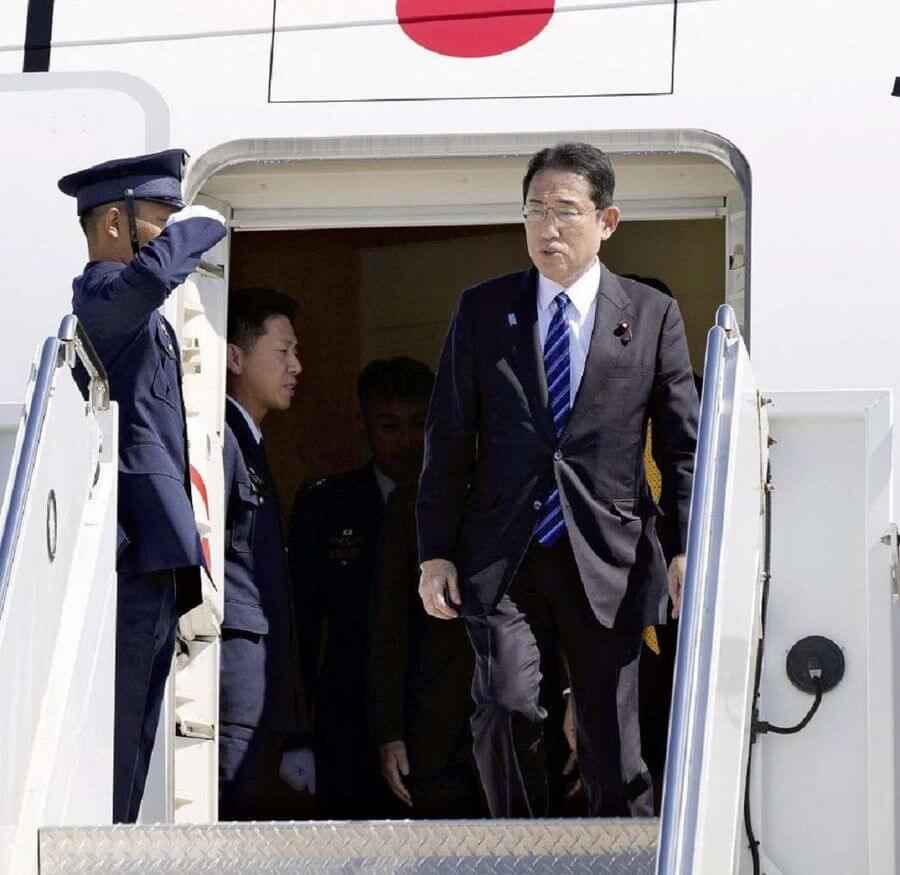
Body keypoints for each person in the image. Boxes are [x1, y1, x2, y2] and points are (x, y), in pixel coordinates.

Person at [416, 142, 699, 818]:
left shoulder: (651, 315)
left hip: (609, 554)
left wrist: (688, 547)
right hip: (506, 554)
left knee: (610, 740)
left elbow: (685, 446)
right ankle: (518, 852)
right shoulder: (485, 310)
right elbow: (448, 436)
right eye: (534, 211)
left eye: (566, 212)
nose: (548, 228)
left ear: (607, 221)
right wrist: (435, 551)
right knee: (508, 703)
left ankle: (624, 861)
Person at [59, 148, 227, 823]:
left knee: (141, 716)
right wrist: (207, 218)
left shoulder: (133, 310)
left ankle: (119, 834)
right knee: (126, 720)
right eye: (156, 218)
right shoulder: (100, 295)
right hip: (137, 545)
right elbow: (153, 275)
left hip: (156, 543)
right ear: (111, 225)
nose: (168, 231)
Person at [289, 356, 434, 818]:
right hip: (347, 711)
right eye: (390, 426)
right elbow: (301, 628)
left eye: (418, 424)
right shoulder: (327, 505)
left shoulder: (453, 505)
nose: (407, 441)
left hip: (432, 710)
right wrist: (298, 733)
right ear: (365, 425)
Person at [219, 287, 314, 819]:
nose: (296, 367)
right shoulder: (221, 440)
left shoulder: (248, 441)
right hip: (233, 682)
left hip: (260, 681)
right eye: (282, 352)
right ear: (235, 357)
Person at [369, 482, 485, 819]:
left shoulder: (527, 490)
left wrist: (572, 698)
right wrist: (389, 732)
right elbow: (388, 627)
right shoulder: (409, 505)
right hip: (435, 727)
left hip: (518, 717)